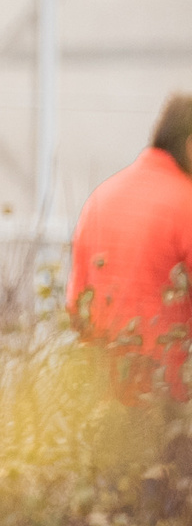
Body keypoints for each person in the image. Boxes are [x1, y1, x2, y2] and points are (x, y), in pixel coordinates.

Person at [69, 94, 192, 401]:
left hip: (105, 400)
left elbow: (76, 306)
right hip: (171, 401)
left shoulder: (101, 198)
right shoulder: (186, 203)